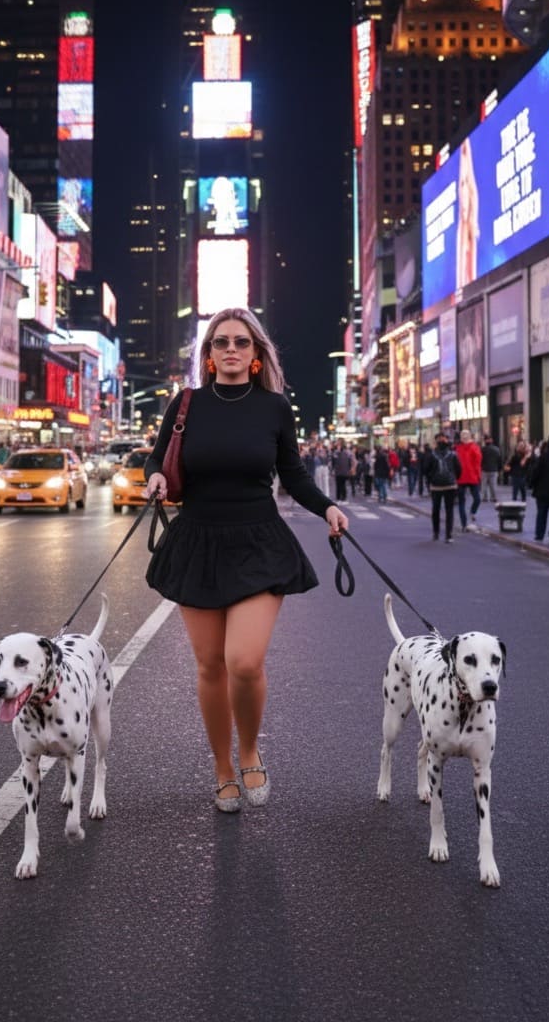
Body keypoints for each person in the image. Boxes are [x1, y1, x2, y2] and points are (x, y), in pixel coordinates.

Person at [143, 307, 349, 813]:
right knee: (210, 665)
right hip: (197, 541)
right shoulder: (186, 404)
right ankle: (221, 768)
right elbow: (156, 458)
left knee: (243, 661)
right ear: (209, 355)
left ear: (256, 354)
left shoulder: (274, 408)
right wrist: (155, 477)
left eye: (241, 341)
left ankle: (250, 750)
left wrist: (327, 507)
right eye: (221, 342)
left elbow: (293, 474)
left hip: (259, 542)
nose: (231, 349)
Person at [425, 432, 461, 543]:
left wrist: (431, 480)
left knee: (436, 510)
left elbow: (426, 469)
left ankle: (436, 533)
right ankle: (449, 535)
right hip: (450, 485)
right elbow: (459, 469)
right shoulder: (453, 454)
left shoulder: (431, 454)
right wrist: (454, 478)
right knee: (449, 511)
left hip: (436, 486)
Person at [456, 135, 479, 288]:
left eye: (465, 184)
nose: (462, 192)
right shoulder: (461, 231)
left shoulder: (471, 229)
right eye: (461, 184)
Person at [455, 429, 482, 531]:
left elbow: (478, 463)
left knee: (475, 499)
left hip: (470, 477)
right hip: (463, 477)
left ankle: (471, 514)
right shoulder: (459, 448)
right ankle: (464, 523)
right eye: (463, 435)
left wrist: (478, 476)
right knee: (463, 501)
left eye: (466, 434)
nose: (464, 436)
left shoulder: (473, 447)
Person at [480, 434, 502, 502]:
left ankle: (484, 497)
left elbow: (480, 460)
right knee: (493, 485)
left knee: (484, 485)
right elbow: (499, 460)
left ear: (485, 441)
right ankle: (493, 497)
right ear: (491, 440)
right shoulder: (496, 449)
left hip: (484, 469)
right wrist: (499, 469)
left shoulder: (482, 449)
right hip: (493, 469)